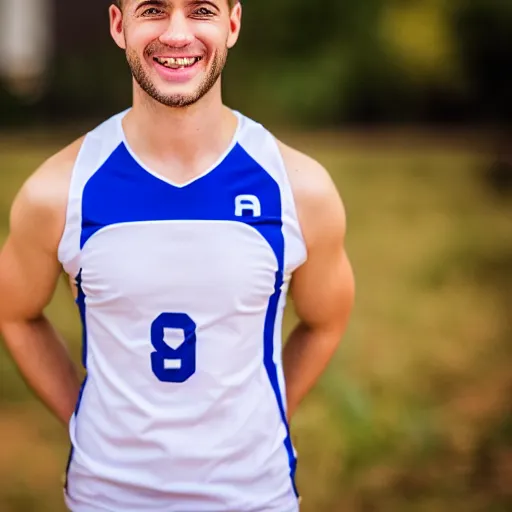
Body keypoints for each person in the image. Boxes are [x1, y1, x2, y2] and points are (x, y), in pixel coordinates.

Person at [0, 1, 355, 511]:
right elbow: (15, 312)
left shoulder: (298, 189)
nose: (176, 33)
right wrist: (82, 415)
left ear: (232, 24)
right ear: (119, 25)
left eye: (201, 11)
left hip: (255, 497)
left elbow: (326, 321)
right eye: (152, 11)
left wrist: (269, 415)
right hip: (107, 498)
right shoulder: (58, 192)